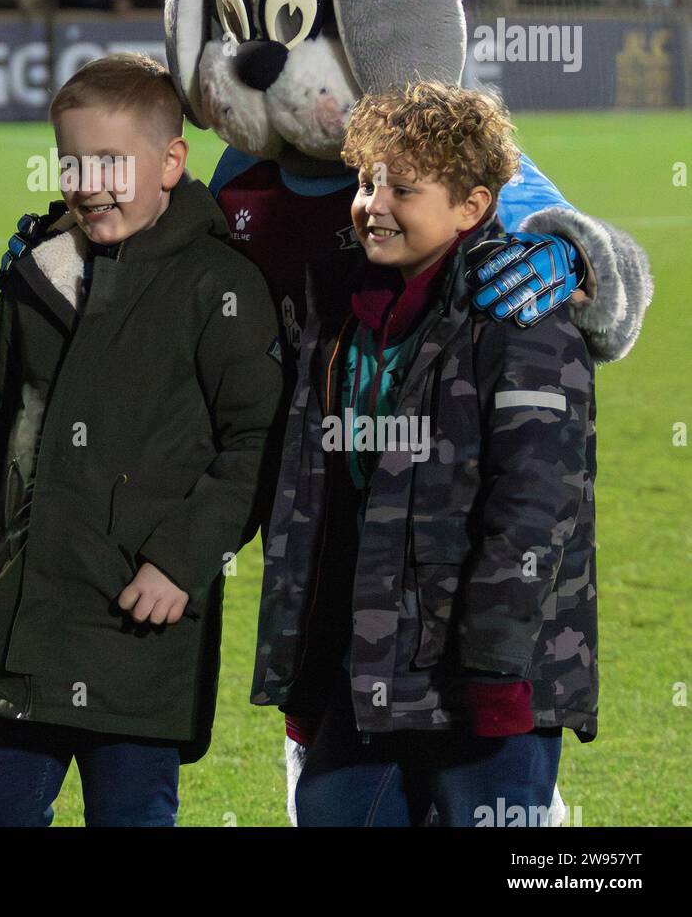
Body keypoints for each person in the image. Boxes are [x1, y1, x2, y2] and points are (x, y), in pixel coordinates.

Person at [0, 52, 282, 827]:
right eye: (71, 162)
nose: (88, 182)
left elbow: (254, 443)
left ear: (170, 164)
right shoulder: (38, 274)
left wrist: (180, 561)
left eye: (110, 163)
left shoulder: (220, 287)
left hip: (138, 624)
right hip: (21, 622)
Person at [253, 82, 596, 827]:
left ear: (472, 207)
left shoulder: (522, 314)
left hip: (482, 677)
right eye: (365, 180)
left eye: (401, 188)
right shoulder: (337, 309)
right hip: (364, 664)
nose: (372, 204)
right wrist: (307, 667)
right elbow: (316, 502)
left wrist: (495, 671)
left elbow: (534, 508)